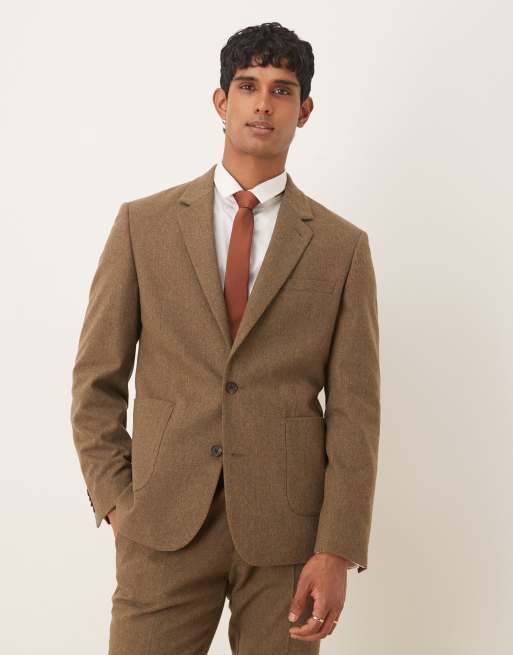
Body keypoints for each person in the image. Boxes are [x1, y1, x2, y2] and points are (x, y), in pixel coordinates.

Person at [71, 21, 381, 655]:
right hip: (161, 524)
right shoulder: (143, 226)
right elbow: (96, 382)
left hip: (287, 540)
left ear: (305, 110)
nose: (263, 104)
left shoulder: (341, 248)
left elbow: (356, 412)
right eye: (248, 86)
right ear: (221, 101)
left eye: (282, 90)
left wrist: (336, 547)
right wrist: (118, 502)